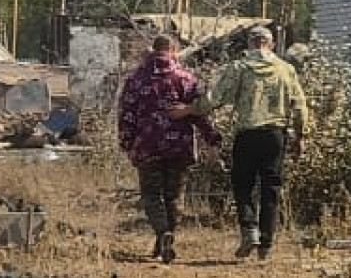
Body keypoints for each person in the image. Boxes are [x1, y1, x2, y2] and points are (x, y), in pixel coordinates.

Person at [174, 25, 308, 261]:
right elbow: (299, 107)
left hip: (247, 134)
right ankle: (266, 243)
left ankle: (249, 230)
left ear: (250, 43)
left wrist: (189, 110)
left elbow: (215, 98)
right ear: (272, 44)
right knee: (271, 188)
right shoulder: (286, 70)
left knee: (242, 184)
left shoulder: (239, 68)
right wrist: (300, 136)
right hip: (276, 135)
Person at [117, 36, 218, 263]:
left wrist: (126, 143)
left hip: (147, 146)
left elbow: (126, 115)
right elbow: (200, 113)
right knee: (173, 197)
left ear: (153, 50)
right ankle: (166, 237)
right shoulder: (186, 79)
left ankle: (162, 234)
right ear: (173, 50)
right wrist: (212, 139)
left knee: (152, 195)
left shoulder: (135, 80)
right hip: (178, 147)